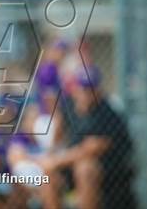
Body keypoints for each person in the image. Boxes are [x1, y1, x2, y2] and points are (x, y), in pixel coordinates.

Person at [38, 65, 135, 209]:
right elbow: (58, 134)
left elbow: (90, 149)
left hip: (108, 169)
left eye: (90, 88)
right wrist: (51, 154)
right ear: (75, 88)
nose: (86, 93)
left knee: (85, 168)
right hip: (72, 164)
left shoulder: (108, 113)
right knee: (48, 174)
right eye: (82, 87)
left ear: (99, 90)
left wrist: (57, 160)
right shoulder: (69, 105)